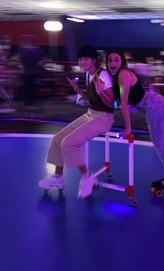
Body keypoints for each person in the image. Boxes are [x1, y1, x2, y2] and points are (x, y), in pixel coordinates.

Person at [106, 48, 164, 193]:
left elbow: (124, 103)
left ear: (122, 62)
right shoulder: (116, 77)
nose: (113, 62)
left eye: (116, 59)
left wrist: (128, 129)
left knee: (159, 143)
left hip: (153, 105)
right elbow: (126, 102)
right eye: (110, 60)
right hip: (155, 101)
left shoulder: (123, 74)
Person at [39, 45, 114, 199]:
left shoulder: (103, 75)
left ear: (94, 60)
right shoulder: (88, 74)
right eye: (80, 59)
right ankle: (58, 178)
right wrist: (77, 90)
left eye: (86, 58)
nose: (82, 61)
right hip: (91, 113)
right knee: (57, 139)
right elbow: (89, 99)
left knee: (69, 143)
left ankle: (87, 177)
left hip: (104, 117)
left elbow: (111, 103)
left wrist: (100, 90)